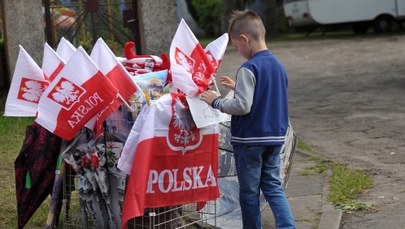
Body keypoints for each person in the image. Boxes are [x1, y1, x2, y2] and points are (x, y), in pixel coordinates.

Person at [200, 9, 296, 229]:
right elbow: (268, 94)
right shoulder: (278, 66)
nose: (239, 51)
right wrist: (239, 87)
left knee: (249, 193)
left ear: (245, 39)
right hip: (275, 139)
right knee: (272, 186)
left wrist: (215, 101)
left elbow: (242, 106)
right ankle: (288, 226)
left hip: (251, 141)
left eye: (237, 46)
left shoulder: (249, 67)